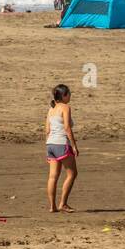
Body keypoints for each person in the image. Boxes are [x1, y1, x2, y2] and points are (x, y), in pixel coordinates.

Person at [45, 84, 79, 213]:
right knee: (72, 173)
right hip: (61, 143)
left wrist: (47, 148)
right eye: (69, 93)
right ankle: (63, 204)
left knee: (53, 177)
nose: (70, 95)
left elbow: (47, 130)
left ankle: (52, 206)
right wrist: (74, 145)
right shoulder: (65, 107)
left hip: (51, 145)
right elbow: (67, 128)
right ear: (64, 95)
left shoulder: (51, 109)